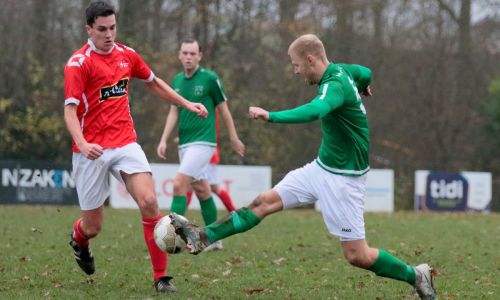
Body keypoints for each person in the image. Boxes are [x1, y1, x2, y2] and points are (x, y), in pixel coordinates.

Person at [170, 34, 436, 299]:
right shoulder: (344, 71)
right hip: (320, 168)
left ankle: (416, 275)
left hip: (345, 179)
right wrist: (364, 86)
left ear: (310, 59)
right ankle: (205, 236)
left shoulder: (334, 86)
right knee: (263, 202)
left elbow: (314, 110)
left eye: (296, 65)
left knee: (358, 255)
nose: (296, 71)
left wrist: (270, 116)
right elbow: (365, 72)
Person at [64, 1, 207, 293]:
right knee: (93, 227)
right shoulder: (78, 63)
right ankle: (79, 240)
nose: (109, 34)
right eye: (102, 29)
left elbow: (153, 82)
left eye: (112, 28)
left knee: (150, 202)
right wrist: (82, 142)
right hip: (91, 149)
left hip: (125, 141)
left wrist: (185, 103)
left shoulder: (126, 55)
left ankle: (160, 277)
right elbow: (70, 110)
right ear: (88, 29)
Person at [156, 38, 245, 250]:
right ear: (179, 55)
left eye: (192, 53)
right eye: (185, 53)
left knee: (179, 184)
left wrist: (233, 137)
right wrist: (163, 139)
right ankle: (214, 238)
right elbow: (173, 111)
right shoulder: (177, 80)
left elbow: (224, 110)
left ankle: (171, 235)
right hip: (184, 144)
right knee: (203, 190)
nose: (188, 57)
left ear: (200, 56)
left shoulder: (209, 79)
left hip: (204, 143)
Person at [185, 108, 237, 212]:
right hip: (206, 150)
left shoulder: (205, 105)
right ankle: (235, 214)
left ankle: (176, 219)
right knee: (190, 185)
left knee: (188, 185)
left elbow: (200, 127)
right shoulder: (208, 104)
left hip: (204, 150)